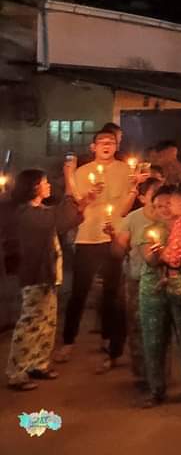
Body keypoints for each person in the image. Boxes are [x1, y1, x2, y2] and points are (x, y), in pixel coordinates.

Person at [57, 129, 139, 371]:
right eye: (101, 141)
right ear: (93, 147)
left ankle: (108, 339)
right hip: (87, 237)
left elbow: (124, 209)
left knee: (112, 293)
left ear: (117, 147)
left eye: (111, 142)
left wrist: (134, 189)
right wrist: (84, 192)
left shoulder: (125, 171)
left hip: (113, 237)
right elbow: (75, 201)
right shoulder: (83, 172)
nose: (106, 145)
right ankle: (68, 341)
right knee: (79, 292)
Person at [6, 166, 83, 390]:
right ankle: (17, 372)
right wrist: (69, 183)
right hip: (35, 275)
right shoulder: (27, 214)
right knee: (30, 323)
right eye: (44, 182)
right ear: (33, 187)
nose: (48, 186)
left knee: (47, 322)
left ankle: (38, 364)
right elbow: (60, 219)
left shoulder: (40, 210)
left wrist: (83, 203)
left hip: (48, 275)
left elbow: (66, 219)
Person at [139, 184, 181, 407]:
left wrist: (171, 259)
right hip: (154, 290)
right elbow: (150, 260)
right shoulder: (150, 231)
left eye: (168, 204)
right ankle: (156, 390)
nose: (165, 209)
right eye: (159, 206)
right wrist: (159, 254)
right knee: (154, 341)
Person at [112, 177, 163, 391]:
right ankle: (142, 374)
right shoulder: (132, 219)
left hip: (163, 280)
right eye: (154, 194)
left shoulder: (169, 219)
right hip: (137, 279)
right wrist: (114, 238)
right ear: (142, 198)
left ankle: (160, 374)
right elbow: (118, 252)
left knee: (161, 328)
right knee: (137, 327)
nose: (160, 199)